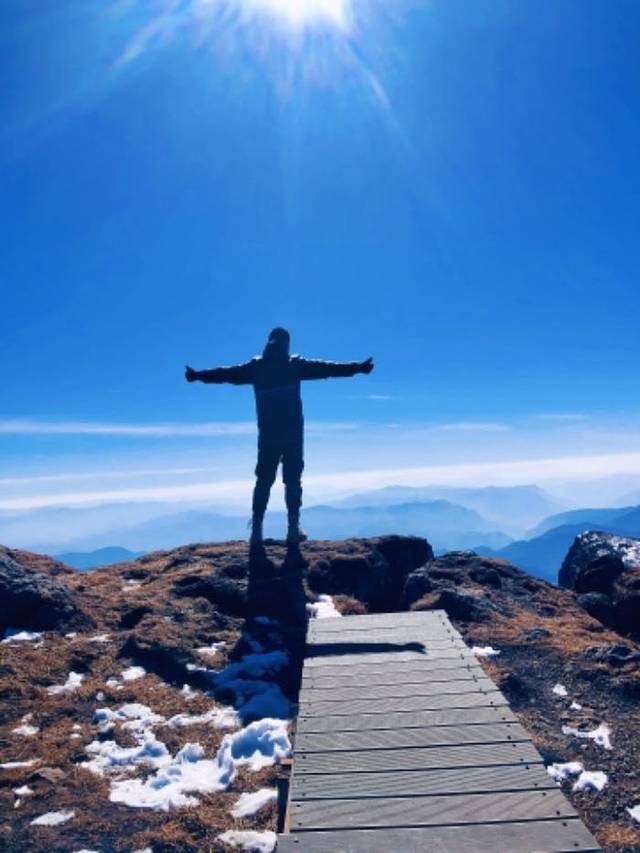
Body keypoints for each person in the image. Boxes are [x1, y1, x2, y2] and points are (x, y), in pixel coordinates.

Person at [185, 328, 374, 545]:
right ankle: (293, 529)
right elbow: (328, 368)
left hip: (268, 436)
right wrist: (358, 368)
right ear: (287, 343)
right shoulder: (294, 366)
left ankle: (256, 530)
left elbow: (225, 374)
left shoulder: (256, 368)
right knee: (293, 481)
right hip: (293, 434)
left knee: (263, 480)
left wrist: (198, 376)